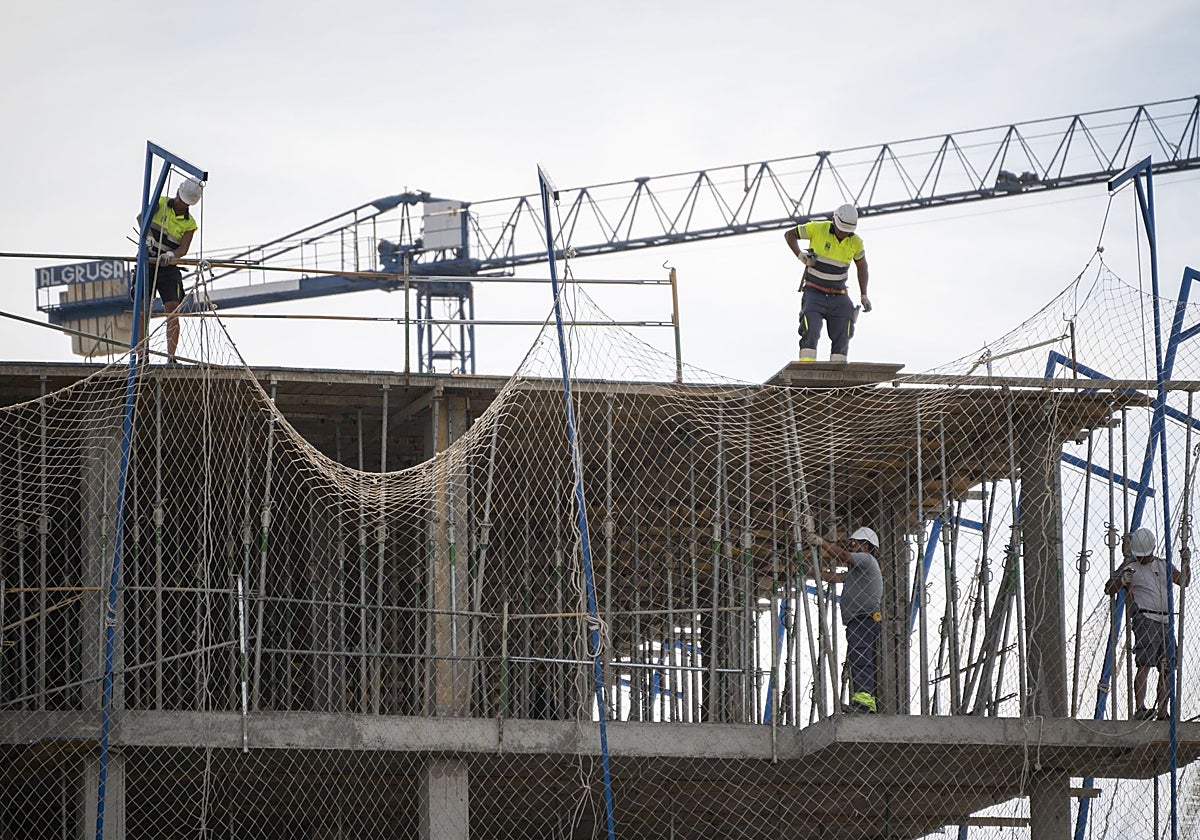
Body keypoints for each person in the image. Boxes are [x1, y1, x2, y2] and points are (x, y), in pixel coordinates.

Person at [1105, 527, 1189, 720]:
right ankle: (1141, 707)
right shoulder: (1130, 566)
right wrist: (1122, 581)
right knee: (1144, 663)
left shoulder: (1162, 565)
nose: (1142, 559)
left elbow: (1183, 581)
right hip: (1146, 618)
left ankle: (1162, 711)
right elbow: (1109, 588)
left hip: (1166, 620)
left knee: (1167, 667)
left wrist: (1186, 563)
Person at [808, 525, 884, 713]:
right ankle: (863, 702)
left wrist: (821, 542)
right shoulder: (858, 572)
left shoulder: (867, 560)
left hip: (864, 619)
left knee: (860, 657)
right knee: (857, 657)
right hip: (858, 621)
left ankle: (865, 705)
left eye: (854, 544)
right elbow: (837, 577)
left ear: (866, 547)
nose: (850, 547)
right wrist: (811, 571)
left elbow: (843, 557)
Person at [783, 204, 871, 363]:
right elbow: (789, 235)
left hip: (839, 296)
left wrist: (864, 295)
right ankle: (807, 369)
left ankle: (837, 375)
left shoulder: (855, 242)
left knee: (844, 331)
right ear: (834, 221)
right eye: (841, 229)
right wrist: (801, 256)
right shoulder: (817, 228)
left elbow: (862, 266)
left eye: (847, 231)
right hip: (814, 293)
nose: (843, 233)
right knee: (810, 330)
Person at [136, 177, 203, 362]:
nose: (181, 204)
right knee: (143, 307)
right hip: (147, 262)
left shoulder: (190, 224)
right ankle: (142, 355)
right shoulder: (161, 202)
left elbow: (183, 249)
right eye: (181, 200)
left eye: (186, 203)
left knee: (172, 309)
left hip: (168, 266)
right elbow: (142, 217)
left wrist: (172, 256)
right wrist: (148, 236)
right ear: (177, 193)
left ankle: (171, 357)